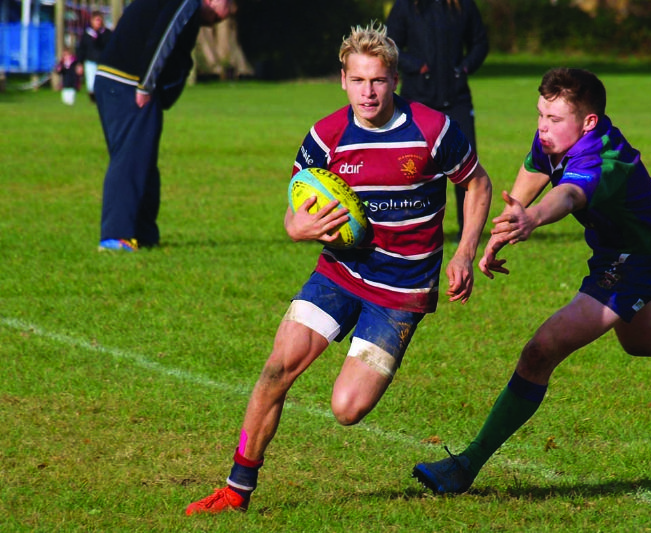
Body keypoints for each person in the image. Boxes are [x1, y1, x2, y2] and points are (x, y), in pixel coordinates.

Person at [411, 67, 651, 496]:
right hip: (616, 253)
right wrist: (507, 224)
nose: (543, 127)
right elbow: (535, 168)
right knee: (644, 340)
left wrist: (534, 218)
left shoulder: (602, 156)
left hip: (642, 257)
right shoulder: (556, 138)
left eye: (554, 120)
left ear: (588, 122)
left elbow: (569, 195)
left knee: (541, 350)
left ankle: (466, 465)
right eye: (540, 115)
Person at [185, 21, 492, 514]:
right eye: (358, 80)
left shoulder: (433, 131)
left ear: (394, 80)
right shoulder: (326, 136)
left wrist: (464, 252)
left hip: (402, 290)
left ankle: (370, 350)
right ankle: (236, 489)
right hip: (339, 274)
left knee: (347, 409)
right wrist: (297, 229)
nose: (368, 93)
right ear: (342, 80)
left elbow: (477, 184)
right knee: (275, 369)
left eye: (378, 81)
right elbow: (295, 211)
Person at [94, 0, 232, 252]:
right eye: (227, 8)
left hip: (113, 79)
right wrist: (146, 86)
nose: (221, 18)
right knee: (130, 160)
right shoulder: (186, 2)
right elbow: (162, 38)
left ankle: (144, 234)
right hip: (129, 83)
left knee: (142, 160)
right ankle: (116, 235)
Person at [386, 0, 488, 238]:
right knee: (410, 167)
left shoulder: (463, 6)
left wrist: (463, 68)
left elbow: (480, 43)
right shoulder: (405, 6)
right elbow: (390, 45)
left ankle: (468, 231)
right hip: (417, 99)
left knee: (467, 166)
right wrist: (417, 66)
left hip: (457, 99)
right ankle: (410, 228)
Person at [76, 10, 112, 103]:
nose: (98, 22)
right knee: (91, 84)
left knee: (103, 83)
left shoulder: (106, 33)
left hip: (103, 62)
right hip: (90, 62)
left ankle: (103, 99)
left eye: (99, 20)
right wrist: (79, 63)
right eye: (96, 20)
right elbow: (81, 49)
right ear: (92, 21)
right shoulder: (87, 34)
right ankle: (94, 100)